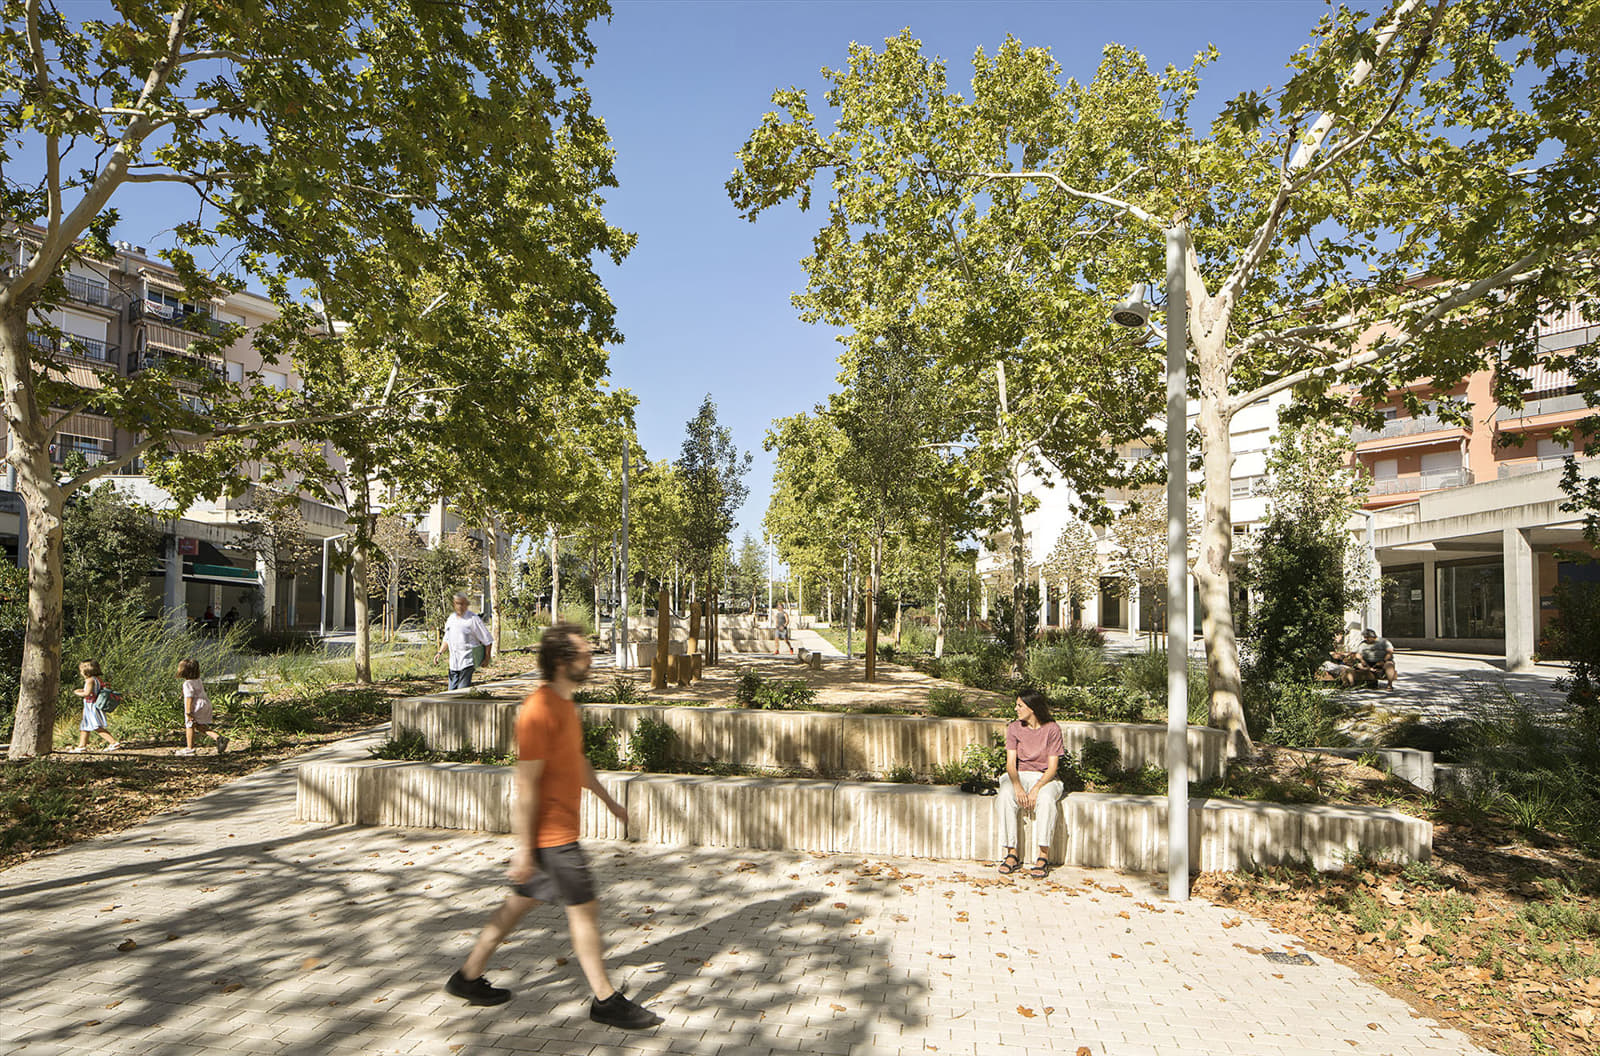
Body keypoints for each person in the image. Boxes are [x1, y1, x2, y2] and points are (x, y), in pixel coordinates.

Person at [445, 623, 660, 1030]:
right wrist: (525, 849)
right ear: (563, 662)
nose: (591, 659)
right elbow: (525, 785)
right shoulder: (539, 709)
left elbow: (576, 762)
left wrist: (609, 800)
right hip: (552, 838)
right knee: (585, 911)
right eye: (584, 653)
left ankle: (467, 977)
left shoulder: (565, 705)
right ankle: (605, 1000)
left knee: (515, 907)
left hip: (555, 836)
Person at [996, 690, 1065, 879]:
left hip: (1045, 778)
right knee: (1004, 796)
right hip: (1019, 775)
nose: (1016, 709)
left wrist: (1036, 788)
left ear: (1032, 708)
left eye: (1020, 705)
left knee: (1045, 799)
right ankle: (1011, 853)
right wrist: (1017, 786)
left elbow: (1052, 768)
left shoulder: (1052, 729)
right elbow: (1011, 764)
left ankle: (1043, 856)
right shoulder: (1014, 728)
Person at [435, 594, 494, 689]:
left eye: (462, 604)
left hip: (467, 661)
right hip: (454, 663)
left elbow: (487, 640)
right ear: (454, 604)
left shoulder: (473, 619)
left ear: (466, 605)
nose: (460, 606)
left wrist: (487, 658)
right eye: (457, 603)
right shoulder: (451, 619)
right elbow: (447, 638)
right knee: (451, 693)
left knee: (461, 692)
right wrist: (440, 652)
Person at [176, 658, 227, 755]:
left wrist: (188, 712)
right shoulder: (198, 680)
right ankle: (219, 738)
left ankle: (189, 748)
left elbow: (189, 697)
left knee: (190, 725)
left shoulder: (187, 683)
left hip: (196, 706)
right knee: (199, 726)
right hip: (205, 703)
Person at [69, 660, 121, 753]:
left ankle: (113, 742)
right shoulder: (97, 679)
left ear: (86, 671)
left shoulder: (89, 680)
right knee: (85, 726)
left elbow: (87, 693)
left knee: (96, 726)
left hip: (91, 706)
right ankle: (82, 746)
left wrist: (77, 693)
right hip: (91, 705)